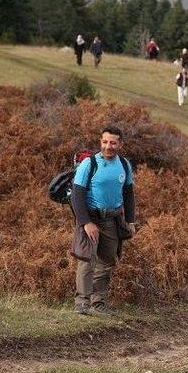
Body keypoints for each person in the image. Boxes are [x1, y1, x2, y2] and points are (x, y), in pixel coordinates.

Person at [71, 126, 135, 315]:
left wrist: (130, 221)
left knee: (106, 262)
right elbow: (77, 195)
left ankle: (98, 304)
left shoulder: (124, 165)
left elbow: (128, 193)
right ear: (100, 142)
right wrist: (86, 222)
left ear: (120, 144)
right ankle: (81, 303)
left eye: (113, 142)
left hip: (111, 221)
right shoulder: (89, 164)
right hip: (89, 219)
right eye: (105, 142)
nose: (109, 146)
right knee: (86, 260)